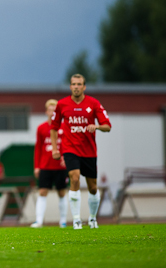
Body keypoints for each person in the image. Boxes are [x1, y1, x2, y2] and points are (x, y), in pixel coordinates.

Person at [51, 74, 111, 230]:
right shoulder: (62, 104)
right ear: (70, 86)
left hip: (89, 151)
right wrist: (55, 149)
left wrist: (96, 126)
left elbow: (107, 126)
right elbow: (54, 127)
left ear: (84, 87)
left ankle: (92, 219)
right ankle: (77, 220)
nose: (76, 87)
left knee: (92, 187)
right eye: (73, 84)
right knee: (74, 178)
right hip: (70, 148)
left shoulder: (94, 103)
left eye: (79, 84)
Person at [31, 99, 68, 228]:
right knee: (42, 192)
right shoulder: (41, 128)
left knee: (62, 192)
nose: (52, 113)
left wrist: (66, 158)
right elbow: (38, 148)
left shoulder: (64, 127)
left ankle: (63, 221)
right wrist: (37, 166)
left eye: (55, 110)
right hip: (45, 165)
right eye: (50, 110)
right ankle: (39, 221)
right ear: (46, 112)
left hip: (60, 166)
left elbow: (68, 145)